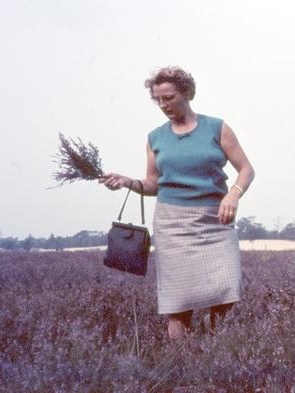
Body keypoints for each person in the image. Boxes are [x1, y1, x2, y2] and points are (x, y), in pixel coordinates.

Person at [99, 66, 255, 340]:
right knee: (179, 304)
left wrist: (234, 193)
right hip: (173, 224)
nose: (163, 105)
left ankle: (215, 353)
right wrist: (126, 181)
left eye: (169, 97)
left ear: (187, 93)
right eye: (158, 99)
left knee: (226, 293)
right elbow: (152, 185)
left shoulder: (216, 128)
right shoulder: (155, 138)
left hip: (216, 221)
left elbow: (246, 169)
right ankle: (181, 367)